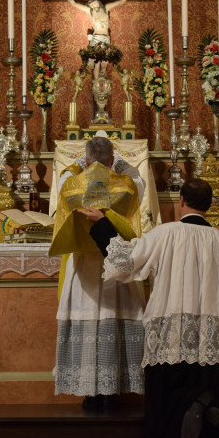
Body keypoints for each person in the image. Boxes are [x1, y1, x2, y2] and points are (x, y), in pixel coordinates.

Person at [78, 178, 219, 438]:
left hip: (172, 329)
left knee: (170, 389)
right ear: (208, 206)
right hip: (215, 332)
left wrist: (102, 223)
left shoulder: (166, 233)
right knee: (209, 379)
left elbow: (125, 261)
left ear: (182, 202)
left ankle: (176, 433)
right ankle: (209, 406)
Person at [49, 136, 147, 410]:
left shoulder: (71, 184)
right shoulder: (125, 184)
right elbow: (138, 180)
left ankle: (90, 391)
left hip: (82, 263)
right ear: (112, 159)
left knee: (88, 321)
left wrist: (83, 163)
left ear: (88, 160)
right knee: (113, 320)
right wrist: (118, 163)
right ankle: (112, 390)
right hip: (114, 259)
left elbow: (64, 177)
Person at [55, 0, 142, 77]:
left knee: (104, 64)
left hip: (106, 39)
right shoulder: (90, 11)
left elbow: (121, 1)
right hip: (96, 38)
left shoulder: (106, 8)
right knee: (96, 64)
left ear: (98, 0)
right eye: (90, 4)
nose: (92, 5)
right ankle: (96, 86)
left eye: (93, 2)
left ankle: (102, 85)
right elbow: (74, 3)